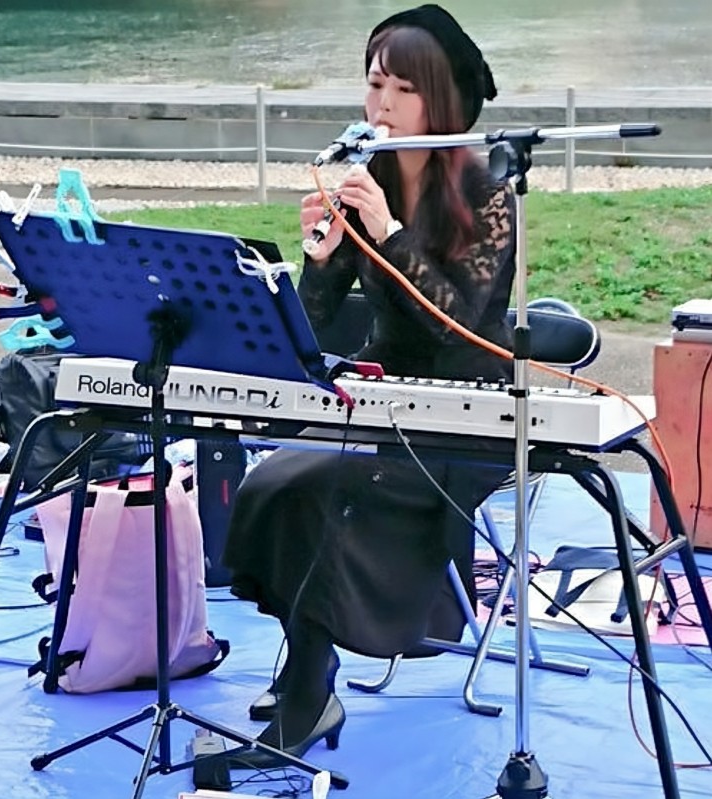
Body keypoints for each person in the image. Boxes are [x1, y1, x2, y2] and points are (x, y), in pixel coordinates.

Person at [223, 4, 517, 768]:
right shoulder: (370, 180)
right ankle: (307, 663)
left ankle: (307, 690)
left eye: (399, 89)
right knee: (274, 479)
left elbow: (458, 324)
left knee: (326, 491)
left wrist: (388, 233)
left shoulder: (488, 190)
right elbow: (316, 322)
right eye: (373, 83)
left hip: (467, 411)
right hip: (384, 394)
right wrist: (320, 257)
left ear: (438, 100)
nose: (379, 104)